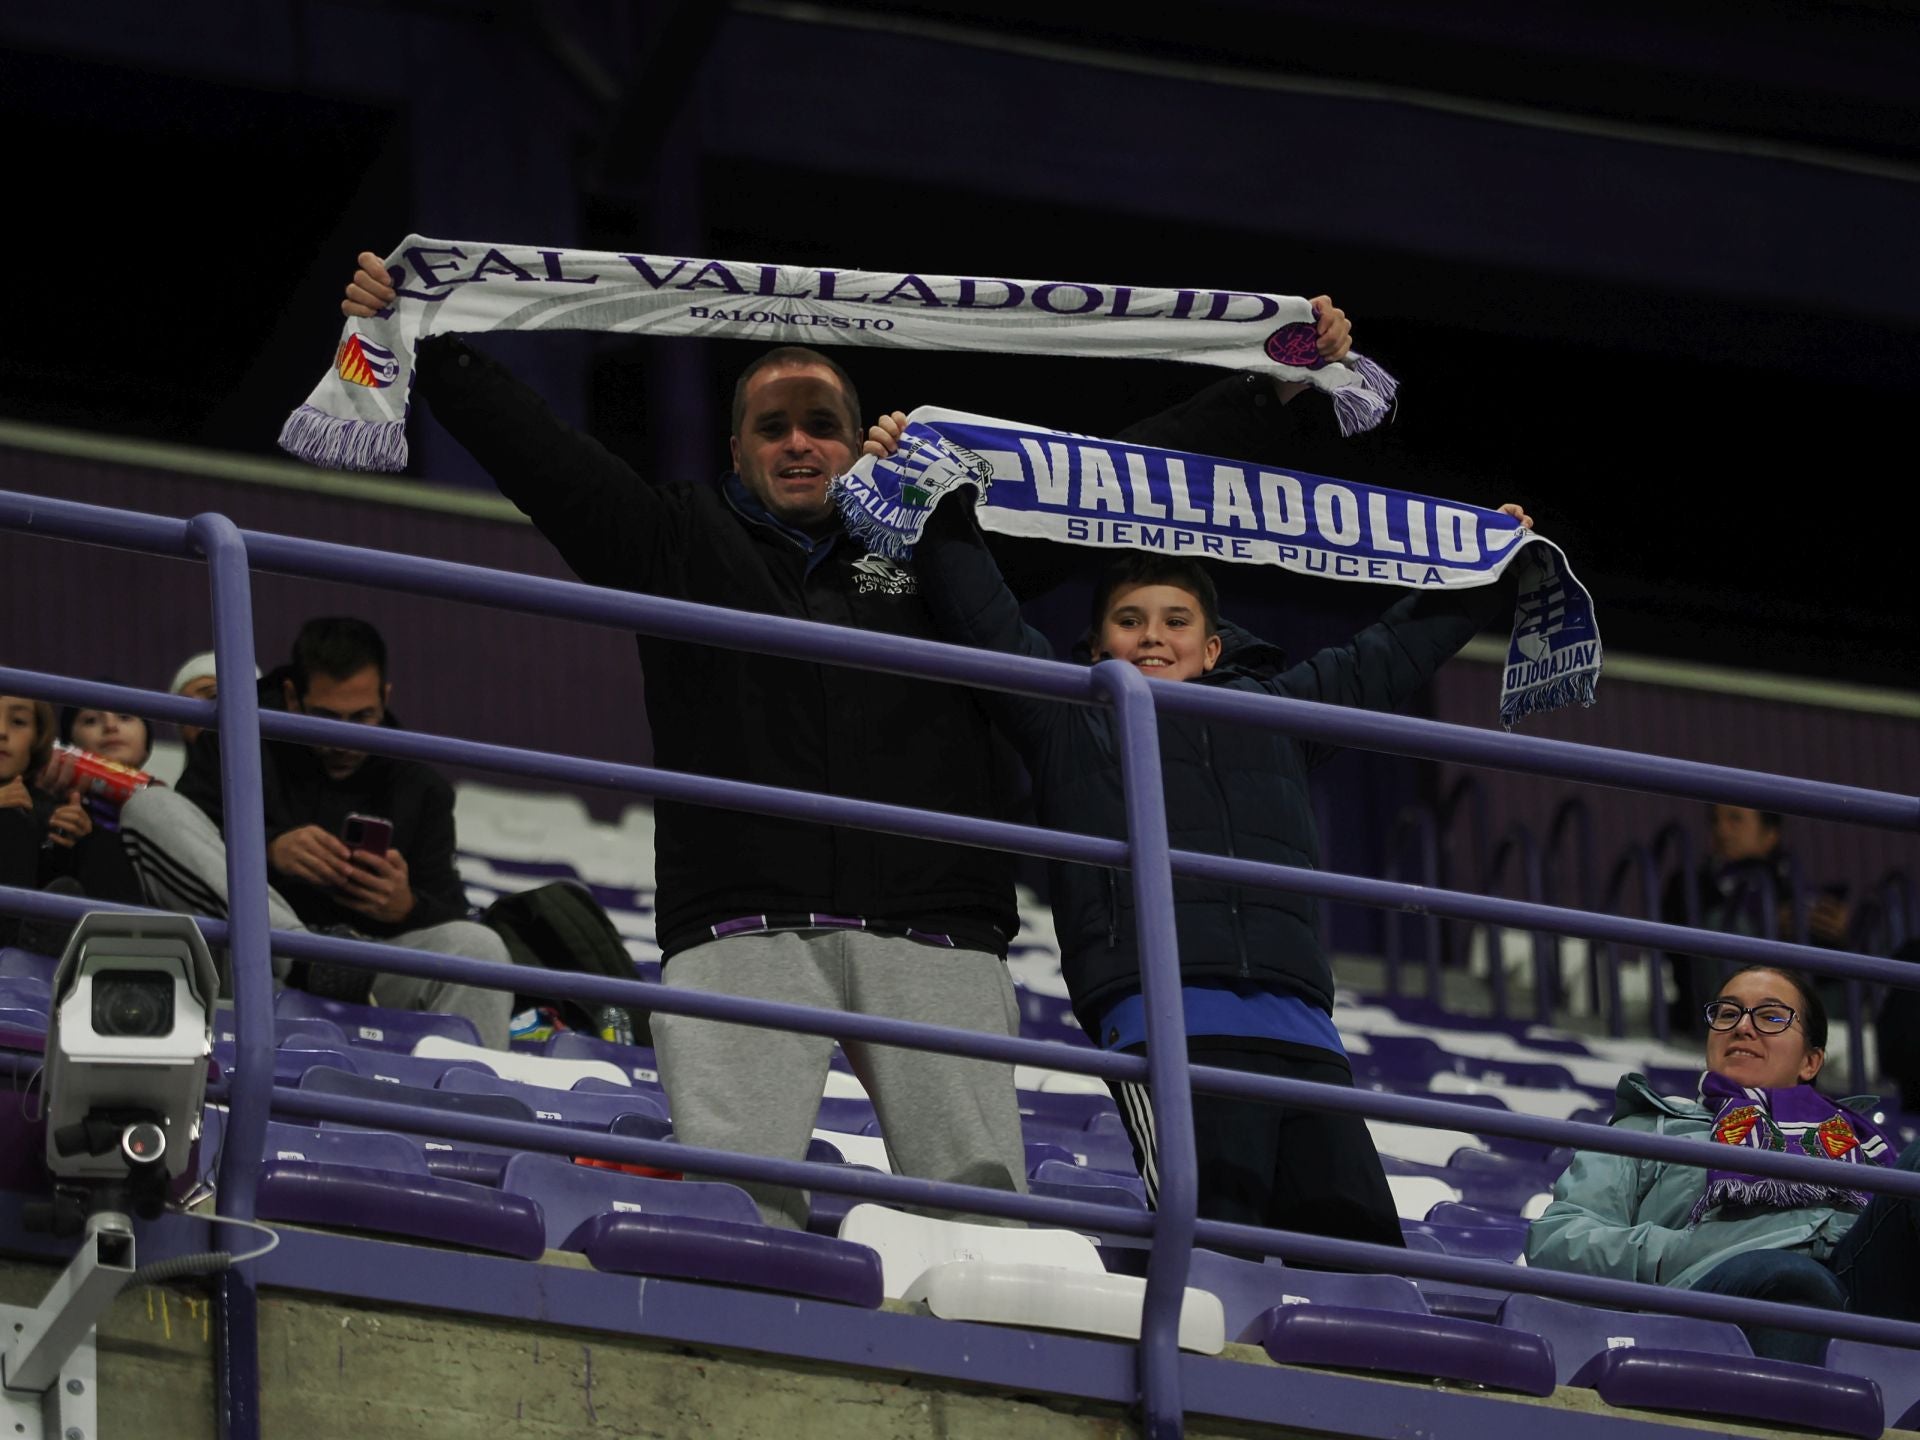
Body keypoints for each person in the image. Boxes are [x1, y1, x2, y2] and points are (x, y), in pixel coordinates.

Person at [339, 250, 1359, 1230]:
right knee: (736, 1216)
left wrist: (1264, 389)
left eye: (820, 425)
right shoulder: (674, 537)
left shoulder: (946, 541)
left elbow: (1107, 480)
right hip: (740, 928)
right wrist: (429, 342)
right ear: (734, 451)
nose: (798, 444)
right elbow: (541, 453)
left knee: (983, 1212)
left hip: (936, 931)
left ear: (857, 436)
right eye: (772, 427)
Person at [878, 407, 1532, 1247]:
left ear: (1214, 647)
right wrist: (928, 493)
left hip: (1307, 1037)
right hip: (1166, 1025)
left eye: (1175, 620)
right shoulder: (1069, 718)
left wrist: (1491, 570)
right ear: (1094, 649)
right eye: (1129, 620)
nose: (1153, 635)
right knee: (1214, 1258)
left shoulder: (1280, 713)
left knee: (1365, 1263)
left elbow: (1389, 654)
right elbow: (980, 609)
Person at [111, 618, 520, 1046]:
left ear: (386, 698)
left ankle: (464, 1104)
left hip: (368, 979)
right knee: (149, 807)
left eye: (363, 716)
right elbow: (191, 847)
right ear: (291, 698)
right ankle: (302, 954)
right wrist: (268, 850)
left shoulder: (419, 783)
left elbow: (450, 911)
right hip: (244, 961)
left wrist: (404, 906)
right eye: (327, 718)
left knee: (481, 948)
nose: (344, 738)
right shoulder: (236, 736)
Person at [1528, 965, 1919, 1363]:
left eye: (1770, 1017)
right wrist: (1689, 1250)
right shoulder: (1647, 1128)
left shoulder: (1860, 1143)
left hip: (1863, 1282)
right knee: (1793, 1276)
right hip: (1722, 1291)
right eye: (1728, 1013)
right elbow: (1559, 1241)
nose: (1743, 1027)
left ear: (1811, 1062)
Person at [1662, 805, 1853, 1036]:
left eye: (1735, 820)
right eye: (1714, 821)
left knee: (1871, 933)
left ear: (1770, 835)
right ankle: (1738, 1025)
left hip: (1803, 1005)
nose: (1721, 830)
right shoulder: (1689, 884)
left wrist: (1845, 933)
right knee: (1722, 923)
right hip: (1718, 1013)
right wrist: (1767, 926)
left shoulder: (1789, 881)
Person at [0, 691, 95, 951]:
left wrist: (68, 844)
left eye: (18, 722)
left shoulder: (47, 809)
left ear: (37, 738)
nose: (1, 732)